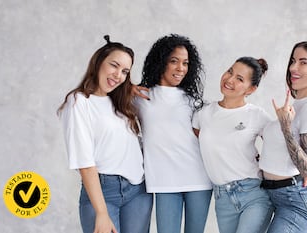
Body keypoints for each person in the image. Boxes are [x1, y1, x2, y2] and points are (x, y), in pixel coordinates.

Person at [57, 35, 153, 233]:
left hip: (138, 191)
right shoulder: (79, 102)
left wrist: (128, 89)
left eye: (125, 71)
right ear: (98, 62)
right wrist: (101, 213)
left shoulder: (120, 103)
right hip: (103, 193)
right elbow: (85, 163)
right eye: (114, 66)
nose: (118, 75)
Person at [134, 34, 212, 233]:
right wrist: (126, 88)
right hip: (163, 181)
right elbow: (104, 93)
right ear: (161, 62)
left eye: (185, 63)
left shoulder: (193, 101)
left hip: (199, 179)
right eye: (174, 61)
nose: (181, 68)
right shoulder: (141, 96)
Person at [259, 41, 307, 232]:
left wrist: (285, 127)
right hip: (270, 194)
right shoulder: (296, 105)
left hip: (294, 201)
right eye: (293, 61)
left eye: (303, 62)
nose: (293, 67)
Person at [192, 57, 272, 233]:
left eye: (240, 79)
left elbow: (280, 146)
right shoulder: (203, 114)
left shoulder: (256, 115)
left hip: (253, 194)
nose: (229, 80)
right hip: (222, 200)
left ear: (251, 89)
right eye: (230, 71)